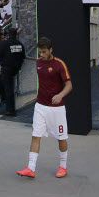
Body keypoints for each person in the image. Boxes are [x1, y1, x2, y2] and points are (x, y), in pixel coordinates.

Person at [16, 38, 72, 179]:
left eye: (44, 52)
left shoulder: (60, 64)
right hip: (40, 106)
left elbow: (69, 85)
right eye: (40, 51)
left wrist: (60, 95)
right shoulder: (38, 63)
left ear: (51, 50)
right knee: (36, 135)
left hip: (57, 109)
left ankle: (63, 167)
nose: (41, 54)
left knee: (61, 138)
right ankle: (30, 168)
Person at [0, 27, 24, 116]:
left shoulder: (4, 43)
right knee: (10, 89)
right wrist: (18, 67)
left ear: (8, 34)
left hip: (6, 69)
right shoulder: (20, 44)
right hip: (15, 70)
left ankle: (10, 110)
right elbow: (23, 57)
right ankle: (12, 109)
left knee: (8, 90)